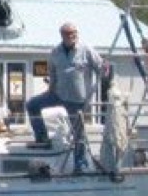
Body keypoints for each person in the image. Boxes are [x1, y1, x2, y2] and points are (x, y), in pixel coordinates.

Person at [26, 22, 106, 170]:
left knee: (78, 134)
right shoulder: (55, 52)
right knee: (32, 104)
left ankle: (80, 164)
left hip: (77, 100)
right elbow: (52, 72)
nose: (72, 35)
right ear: (62, 35)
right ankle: (42, 138)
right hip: (58, 94)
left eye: (74, 32)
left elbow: (101, 68)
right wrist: (50, 89)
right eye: (68, 33)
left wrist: (105, 71)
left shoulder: (86, 49)